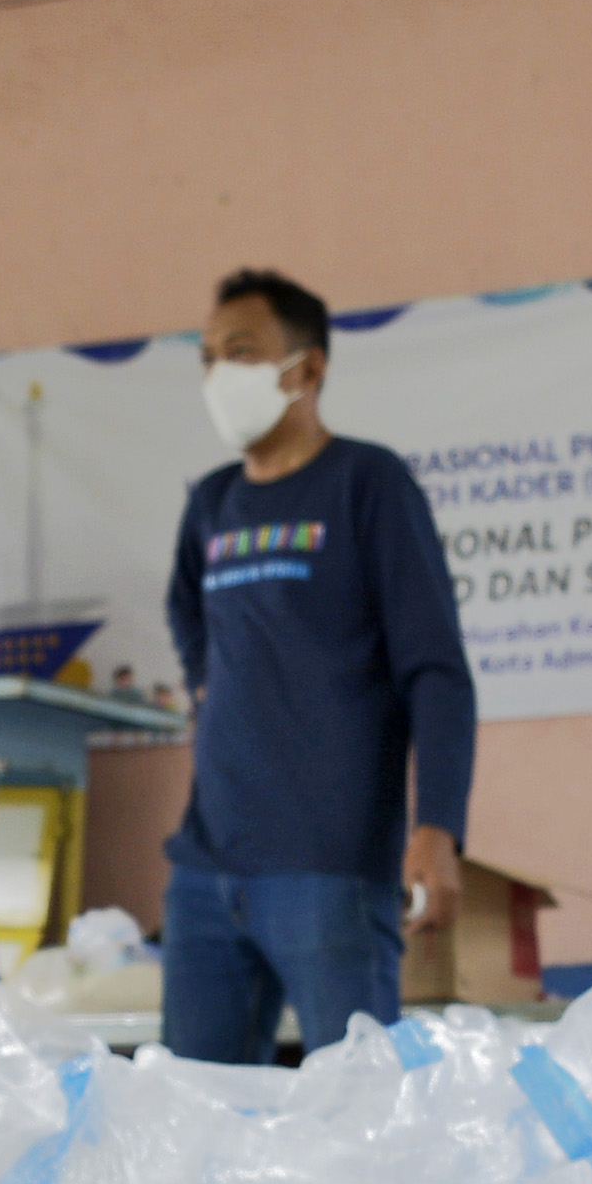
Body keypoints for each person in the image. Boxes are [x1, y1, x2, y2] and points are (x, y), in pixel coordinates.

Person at [158, 268, 476, 1063]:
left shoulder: (369, 485)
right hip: (205, 874)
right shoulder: (212, 504)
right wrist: (213, 681)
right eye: (206, 357)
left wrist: (437, 828)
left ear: (306, 368)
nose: (217, 374)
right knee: (195, 1128)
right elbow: (185, 611)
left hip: (329, 872)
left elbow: (435, 670)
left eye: (240, 351)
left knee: (359, 1122)